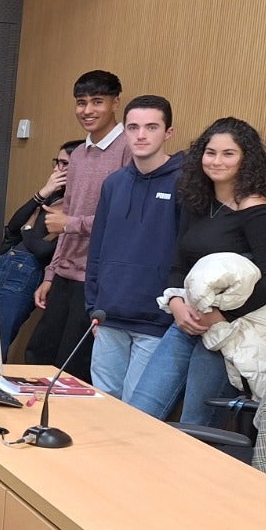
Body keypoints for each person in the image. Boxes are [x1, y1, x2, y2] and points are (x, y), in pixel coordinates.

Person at [128, 118, 266, 425]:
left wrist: (219, 316)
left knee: (194, 424)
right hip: (185, 320)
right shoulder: (196, 201)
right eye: (210, 152)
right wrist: (176, 305)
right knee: (139, 410)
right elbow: (178, 265)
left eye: (228, 154)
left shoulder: (254, 207)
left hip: (227, 331)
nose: (216, 161)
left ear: (246, 159)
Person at [27, 69, 130, 379]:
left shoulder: (127, 149)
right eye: (81, 102)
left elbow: (123, 219)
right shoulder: (80, 154)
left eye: (97, 101)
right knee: (38, 356)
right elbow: (64, 218)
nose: (87, 111)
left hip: (98, 278)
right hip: (65, 275)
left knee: (73, 369)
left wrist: (71, 223)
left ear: (116, 102)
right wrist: (50, 273)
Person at [85, 96, 184, 399]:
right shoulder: (114, 183)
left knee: (138, 412)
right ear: (125, 132)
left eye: (151, 127)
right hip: (109, 317)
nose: (141, 135)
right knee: (103, 407)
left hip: (156, 322)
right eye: (133, 127)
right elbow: (97, 248)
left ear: (168, 132)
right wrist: (93, 307)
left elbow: (187, 253)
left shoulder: (185, 183)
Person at [0, 140, 78, 360]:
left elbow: (44, 250)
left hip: (27, 271)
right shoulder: (53, 195)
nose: (56, 169)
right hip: (6, 262)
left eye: (64, 164)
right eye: (57, 162)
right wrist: (42, 193)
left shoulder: (73, 206)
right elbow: (13, 227)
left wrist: (27, 230)